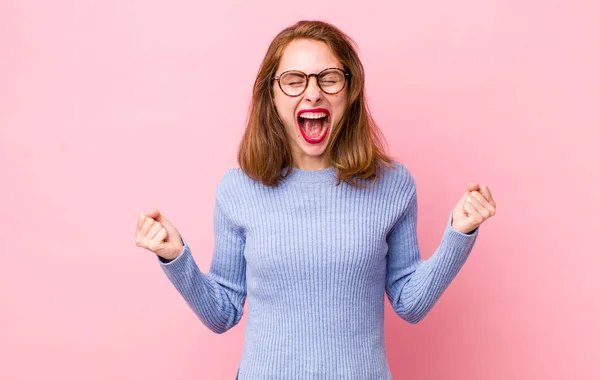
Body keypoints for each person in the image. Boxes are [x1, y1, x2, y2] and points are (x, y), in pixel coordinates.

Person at [135, 20, 496, 380]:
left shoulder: (393, 185)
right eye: (294, 81)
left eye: (329, 78)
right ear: (271, 95)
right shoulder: (237, 190)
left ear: (349, 89)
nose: (312, 93)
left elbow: (410, 302)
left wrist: (459, 234)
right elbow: (221, 312)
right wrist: (174, 256)